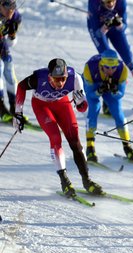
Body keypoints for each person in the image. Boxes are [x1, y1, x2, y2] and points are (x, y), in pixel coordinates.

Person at [13, 58, 104, 197]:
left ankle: (87, 181)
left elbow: (83, 108)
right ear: (50, 77)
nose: (60, 83)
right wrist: (18, 113)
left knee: (75, 141)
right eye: (57, 79)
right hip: (41, 106)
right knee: (55, 137)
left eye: (63, 78)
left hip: (61, 104)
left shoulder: (75, 78)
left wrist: (80, 103)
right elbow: (21, 86)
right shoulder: (39, 78)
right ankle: (64, 181)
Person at [82, 49, 133, 162]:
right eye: (107, 67)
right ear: (102, 65)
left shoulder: (122, 69)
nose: (111, 70)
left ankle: (127, 147)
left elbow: (120, 95)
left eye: (113, 68)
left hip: (106, 88)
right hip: (94, 86)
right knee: (94, 110)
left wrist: (114, 91)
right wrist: (99, 91)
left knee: (118, 114)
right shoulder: (89, 68)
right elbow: (90, 95)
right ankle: (90, 147)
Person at [87, 0, 133, 102]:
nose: (110, 4)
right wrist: (105, 26)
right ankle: (109, 102)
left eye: (112, 1)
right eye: (107, 2)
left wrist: (119, 24)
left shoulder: (121, 1)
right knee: (109, 63)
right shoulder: (94, 3)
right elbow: (98, 34)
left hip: (115, 30)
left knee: (130, 61)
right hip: (99, 29)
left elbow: (124, 27)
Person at [0, 0, 21, 121]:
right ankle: (1, 107)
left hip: (2, 43)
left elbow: (10, 43)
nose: (10, 9)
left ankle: (13, 106)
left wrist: (12, 36)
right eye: (7, 5)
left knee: (9, 69)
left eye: (13, 5)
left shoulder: (16, 17)